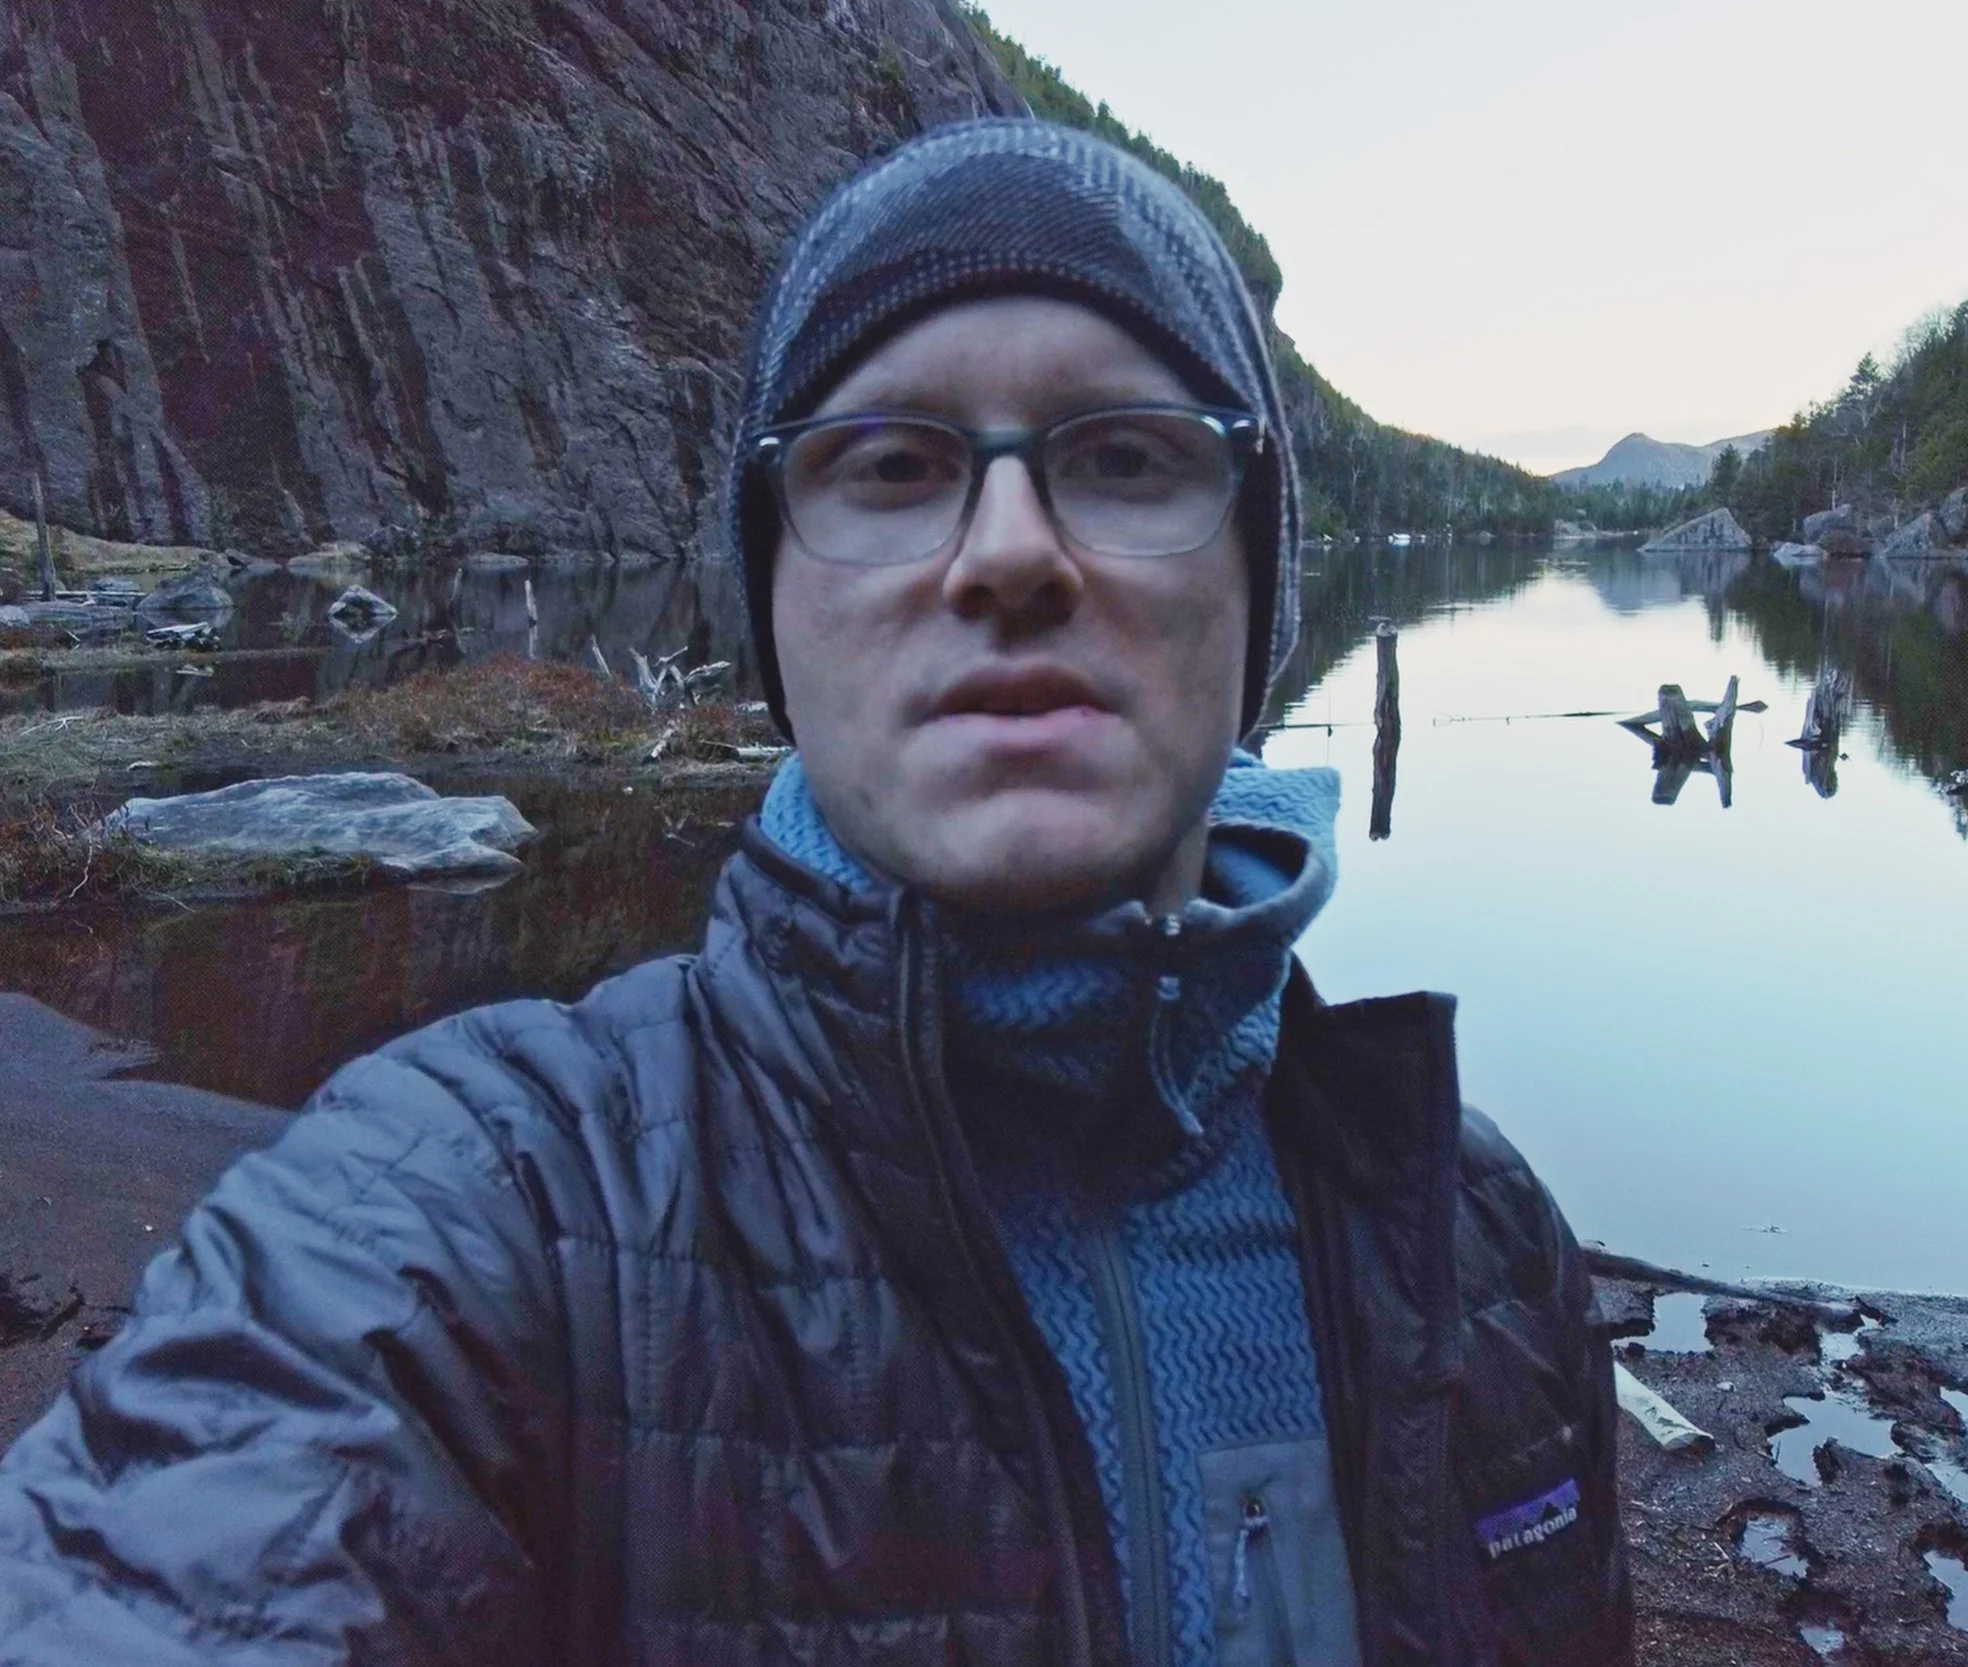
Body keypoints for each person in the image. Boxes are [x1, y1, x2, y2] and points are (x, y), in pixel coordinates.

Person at [0, 121, 1629, 1666]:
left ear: (1257, 579)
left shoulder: (1476, 1240)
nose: (1008, 552)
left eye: (1125, 456)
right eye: (894, 466)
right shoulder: (475, 1208)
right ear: (775, 606)